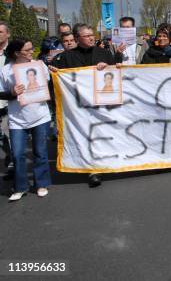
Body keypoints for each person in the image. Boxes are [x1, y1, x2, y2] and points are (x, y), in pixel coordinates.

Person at [51, 24, 116, 188]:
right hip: (78, 106)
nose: (92, 37)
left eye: (92, 34)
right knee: (86, 136)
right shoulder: (67, 57)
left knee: (102, 134)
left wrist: (109, 67)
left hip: (102, 103)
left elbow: (116, 74)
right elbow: (60, 82)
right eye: (87, 36)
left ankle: (105, 163)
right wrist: (54, 74)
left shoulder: (105, 53)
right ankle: (93, 169)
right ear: (77, 38)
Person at [0, 38, 52, 201]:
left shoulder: (39, 66)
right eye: (28, 50)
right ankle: (21, 186)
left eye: (32, 49)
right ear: (17, 53)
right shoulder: (6, 70)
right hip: (17, 119)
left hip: (40, 116)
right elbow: (1, 92)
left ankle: (41, 184)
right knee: (18, 154)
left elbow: (49, 84)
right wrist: (12, 93)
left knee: (40, 152)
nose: (31, 52)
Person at [0, 22, 12, 178]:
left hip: (11, 101)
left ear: (8, 34)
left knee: (10, 134)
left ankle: (13, 163)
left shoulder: (14, 53)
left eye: (1, 31)